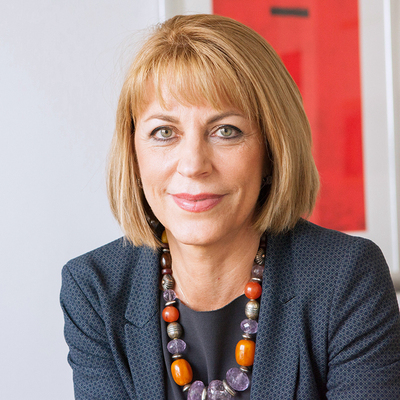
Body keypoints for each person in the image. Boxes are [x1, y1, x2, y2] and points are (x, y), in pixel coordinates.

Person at [60, 14, 400, 400]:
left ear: (272, 151)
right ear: (134, 154)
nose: (193, 165)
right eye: (164, 132)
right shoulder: (95, 289)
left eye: (226, 131)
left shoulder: (346, 277)